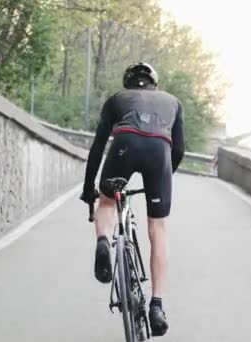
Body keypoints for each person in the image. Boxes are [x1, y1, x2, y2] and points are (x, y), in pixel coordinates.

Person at [80, 62, 185, 337]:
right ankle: (157, 305)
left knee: (107, 203)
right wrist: (163, 179)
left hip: (124, 143)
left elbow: (98, 146)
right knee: (157, 227)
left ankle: (103, 241)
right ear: (156, 86)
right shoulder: (172, 102)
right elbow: (180, 149)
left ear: (128, 86)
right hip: (159, 152)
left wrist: (89, 187)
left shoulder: (117, 100)